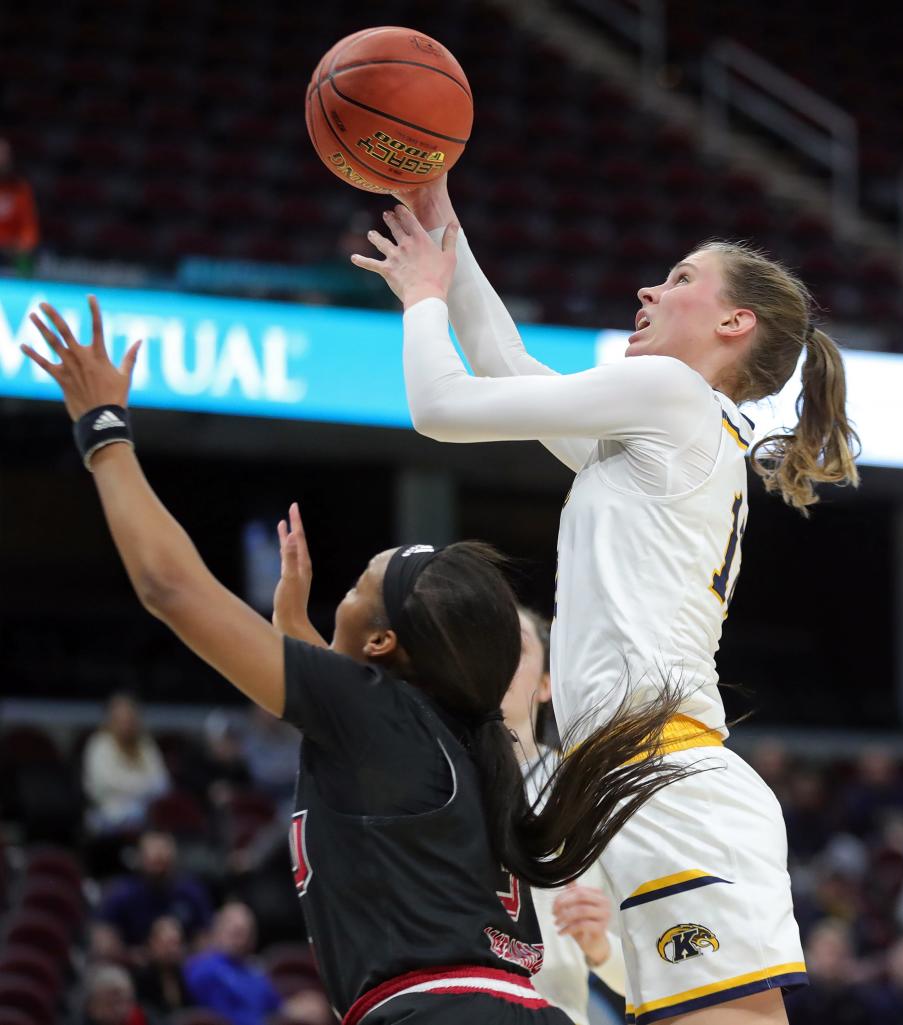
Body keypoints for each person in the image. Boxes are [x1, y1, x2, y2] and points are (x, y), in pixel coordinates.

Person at [23, 298, 693, 1024]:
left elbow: (170, 587)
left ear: (382, 647)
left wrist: (103, 430)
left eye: (356, 585)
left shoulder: (381, 716)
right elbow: (357, 735)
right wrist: (294, 628)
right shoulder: (460, 741)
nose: (342, 592)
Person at [351, 174, 861, 1024]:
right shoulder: (665, 426)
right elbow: (509, 367)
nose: (649, 288)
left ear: (736, 323)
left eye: (682, 278)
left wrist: (420, 298)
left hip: (660, 772)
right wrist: (446, 225)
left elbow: (440, 406)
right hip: (627, 779)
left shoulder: (672, 398)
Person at [503, 606, 626, 1025]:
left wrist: (599, 947)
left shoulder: (584, 792)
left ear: (545, 685)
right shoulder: (433, 781)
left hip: (554, 1011)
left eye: (514, 646)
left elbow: (644, 972)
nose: (496, 654)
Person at [97, 830, 213, 946]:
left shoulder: (191, 891)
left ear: (174, 859)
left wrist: (180, 954)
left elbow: (205, 938)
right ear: (140, 859)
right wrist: (143, 956)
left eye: (163, 862)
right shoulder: (121, 894)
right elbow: (104, 941)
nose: (159, 869)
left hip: (185, 960)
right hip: (132, 960)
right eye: (154, 862)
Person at [83, 692, 171, 835]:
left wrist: (132, 788)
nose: (126, 724)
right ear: (110, 719)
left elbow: (163, 783)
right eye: (120, 719)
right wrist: (144, 786)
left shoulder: (144, 744)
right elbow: (105, 785)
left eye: (129, 718)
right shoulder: (99, 744)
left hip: (146, 814)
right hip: (109, 816)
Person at [184, 901, 283, 1025]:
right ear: (218, 930)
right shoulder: (203, 969)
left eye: (248, 933)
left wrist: (295, 1010)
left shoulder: (254, 970)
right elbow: (223, 1018)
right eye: (237, 932)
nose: (243, 940)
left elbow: (277, 1007)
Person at [133, 915, 190, 1019]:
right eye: (166, 944)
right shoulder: (140, 979)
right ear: (152, 943)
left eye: (176, 944)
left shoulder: (183, 976)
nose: (172, 950)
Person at [0, 138, 39, 273]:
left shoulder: (20, 189)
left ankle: (22, 290)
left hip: (11, 251)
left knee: (25, 261)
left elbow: (28, 227)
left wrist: (24, 245)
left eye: (4, 156)